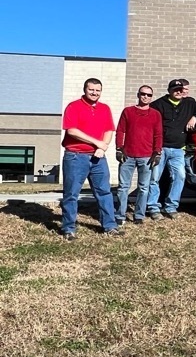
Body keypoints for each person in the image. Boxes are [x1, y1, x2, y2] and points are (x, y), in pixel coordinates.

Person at [60, 78, 119, 240]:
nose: (94, 93)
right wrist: (96, 142)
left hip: (98, 158)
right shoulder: (74, 106)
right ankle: (68, 228)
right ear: (85, 89)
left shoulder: (104, 108)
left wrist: (102, 146)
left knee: (104, 192)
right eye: (91, 90)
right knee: (71, 193)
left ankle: (110, 226)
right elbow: (72, 130)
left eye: (97, 90)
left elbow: (109, 129)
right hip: (75, 157)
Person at [147, 79, 196, 220]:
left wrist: (194, 117)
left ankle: (171, 206)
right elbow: (148, 120)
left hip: (178, 150)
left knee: (180, 177)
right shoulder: (158, 104)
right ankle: (153, 207)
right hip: (161, 148)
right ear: (169, 90)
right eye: (175, 89)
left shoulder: (189, 103)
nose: (178, 92)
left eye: (180, 89)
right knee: (154, 178)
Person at [114, 85, 163, 227]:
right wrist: (119, 149)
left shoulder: (155, 114)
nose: (145, 97)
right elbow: (120, 131)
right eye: (143, 94)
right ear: (138, 94)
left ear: (151, 97)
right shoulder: (128, 111)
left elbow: (158, 134)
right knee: (123, 187)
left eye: (149, 95)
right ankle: (120, 215)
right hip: (127, 156)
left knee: (144, 187)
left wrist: (157, 152)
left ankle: (139, 216)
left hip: (147, 157)